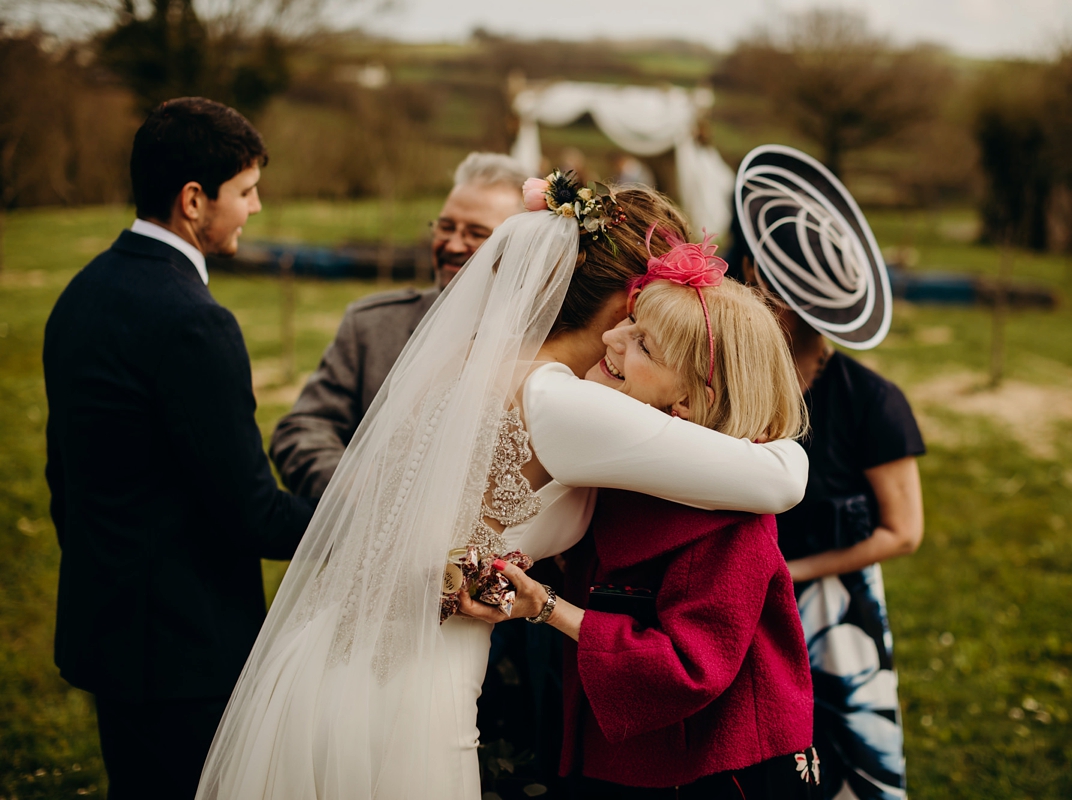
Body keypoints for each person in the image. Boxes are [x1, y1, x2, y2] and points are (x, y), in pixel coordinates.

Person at [196, 175, 811, 799]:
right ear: (632, 304)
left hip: (333, 658)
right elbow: (781, 480)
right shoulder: (558, 403)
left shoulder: (468, 364)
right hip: (413, 685)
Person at [42, 97, 316, 800]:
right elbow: (253, 512)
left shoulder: (83, 292)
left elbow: (62, 477)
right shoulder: (195, 323)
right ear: (194, 200)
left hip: (106, 631)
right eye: (246, 190)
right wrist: (356, 510)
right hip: (184, 654)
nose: (256, 207)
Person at [462, 269, 822, 799]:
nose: (612, 337)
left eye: (643, 344)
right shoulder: (625, 470)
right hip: (632, 755)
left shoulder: (732, 523)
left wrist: (546, 607)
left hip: (716, 767)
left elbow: (691, 664)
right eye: (630, 319)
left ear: (692, 401)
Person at [733, 144, 926, 800]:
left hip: (833, 615)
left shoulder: (874, 403)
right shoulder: (734, 389)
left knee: (843, 765)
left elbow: (904, 533)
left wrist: (793, 574)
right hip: (738, 604)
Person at [270, 152, 530, 500]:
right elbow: (301, 429)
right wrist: (360, 496)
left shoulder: (547, 342)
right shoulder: (372, 325)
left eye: (476, 234)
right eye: (446, 226)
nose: (452, 244)